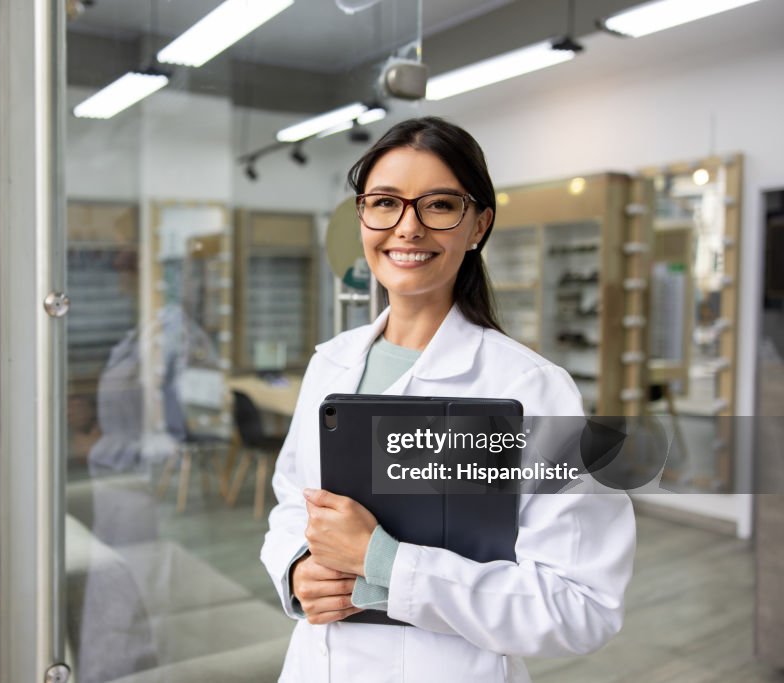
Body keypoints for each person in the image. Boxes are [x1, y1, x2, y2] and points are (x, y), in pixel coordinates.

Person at [260, 117, 636, 682]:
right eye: (384, 202)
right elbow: (293, 501)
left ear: (478, 225)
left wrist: (385, 563)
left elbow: (582, 605)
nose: (406, 228)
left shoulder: (530, 389)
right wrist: (297, 569)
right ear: (362, 217)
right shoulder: (330, 364)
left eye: (437, 205)